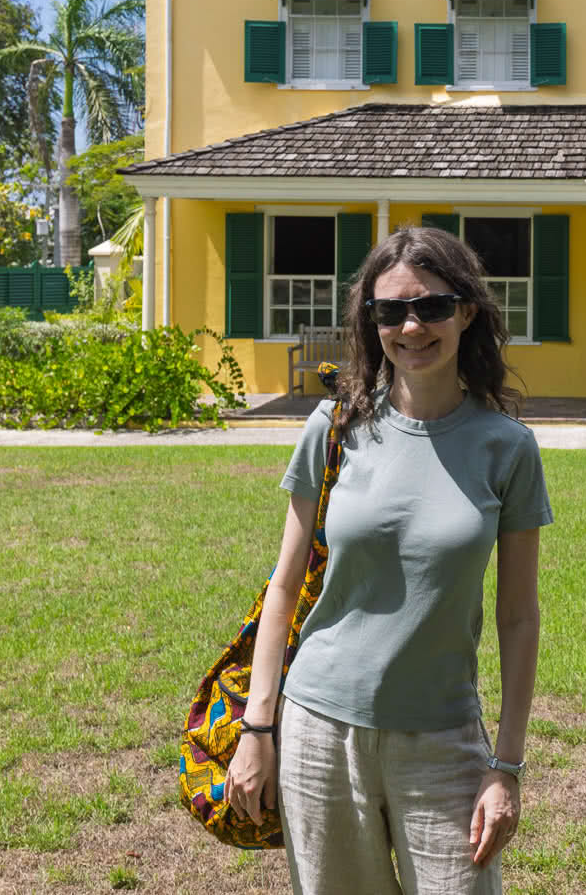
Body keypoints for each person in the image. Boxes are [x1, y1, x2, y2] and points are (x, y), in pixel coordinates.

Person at [225, 225, 553, 895]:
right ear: (369, 322)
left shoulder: (508, 449)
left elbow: (519, 618)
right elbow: (284, 585)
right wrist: (258, 726)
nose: (412, 326)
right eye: (390, 311)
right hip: (318, 729)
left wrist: (507, 766)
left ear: (466, 311)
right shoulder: (335, 429)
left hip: (443, 740)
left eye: (431, 306)